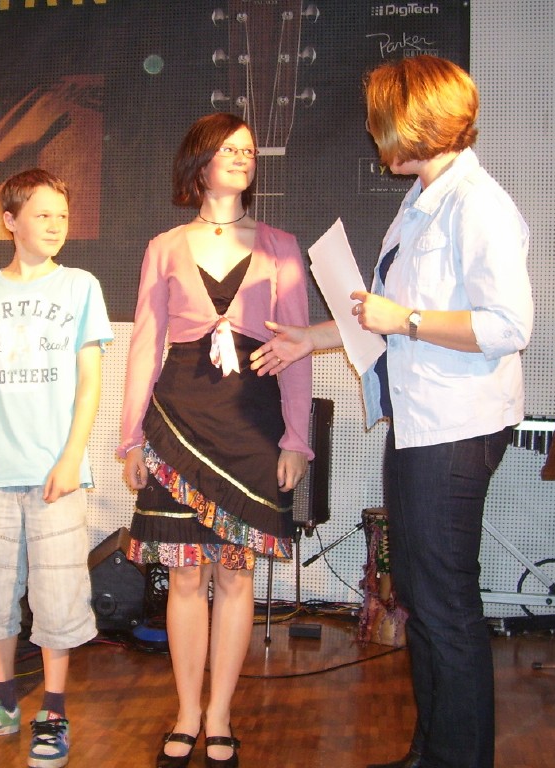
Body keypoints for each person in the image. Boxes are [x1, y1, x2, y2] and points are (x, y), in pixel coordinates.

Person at [251, 56, 533, 768]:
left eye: (382, 121)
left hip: (456, 426)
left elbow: (507, 325)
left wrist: (404, 318)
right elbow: (377, 317)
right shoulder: (421, 201)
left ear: (415, 120)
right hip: (417, 422)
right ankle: (429, 753)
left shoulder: (478, 204)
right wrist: (309, 338)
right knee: (421, 597)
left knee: (444, 603)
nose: (376, 135)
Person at [119, 112, 313, 768]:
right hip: (177, 425)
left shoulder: (282, 246)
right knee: (183, 576)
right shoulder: (165, 246)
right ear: (199, 161)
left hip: (252, 426)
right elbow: (145, 344)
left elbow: (297, 350)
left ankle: (221, 715)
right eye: (229, 148)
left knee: (235, 574)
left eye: (248, 151)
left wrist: (297, 439)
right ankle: (187, 712)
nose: (241, 157)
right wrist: (131, 438)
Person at [0, 168, 112, 768]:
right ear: (10, 220)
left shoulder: (81, 286)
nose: (55, 225)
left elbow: (90, 382)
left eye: (62, 215)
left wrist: (71, 457)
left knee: (58, 595)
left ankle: (54, 711)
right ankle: (4, 700)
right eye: (42, 215)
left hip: (54, 476)